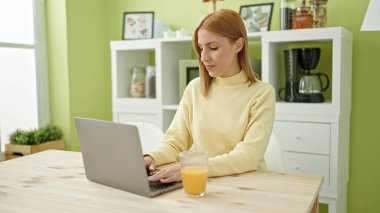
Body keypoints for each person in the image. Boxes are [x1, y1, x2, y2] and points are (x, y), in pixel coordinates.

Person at [145, 9, 275, 183]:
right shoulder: (195, 88)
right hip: (204, 181)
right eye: (200, 48)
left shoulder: (262, 93)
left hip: (247, 184)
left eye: (213, 48)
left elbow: (248, 156)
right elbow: (175, 142)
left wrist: (195, 167)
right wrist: (150, 158)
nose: (204, 57)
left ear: (238, 45)